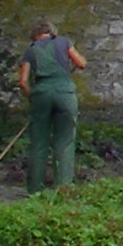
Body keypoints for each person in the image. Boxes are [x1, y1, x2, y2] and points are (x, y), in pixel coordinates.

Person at [17, 21, 89, 194]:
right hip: (65, 94)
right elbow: (81, 64)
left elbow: (22, 81)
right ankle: (63, 189)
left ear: (35, 35)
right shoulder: (63, 42)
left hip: (41, 95)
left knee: (38, 143)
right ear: (51, 32)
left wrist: (33, 97)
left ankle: (35, 190)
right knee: (64, 141)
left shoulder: (30, 50)